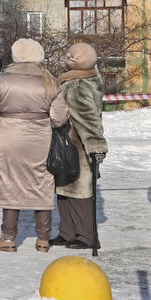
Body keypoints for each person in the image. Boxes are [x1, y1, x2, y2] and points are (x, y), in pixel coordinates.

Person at [0, 38, 68, 253]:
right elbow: (59, 118)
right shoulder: (50, 81)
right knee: (42, 185)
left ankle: (8, 238)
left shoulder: (1, 81)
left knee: (9, 184)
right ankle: (43, 240)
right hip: (40, 138)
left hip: (9, 138)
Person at [53, 42, 108, 250]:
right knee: (65, 189)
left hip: (78, 147)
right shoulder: (88, 79)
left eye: (69, 56)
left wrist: (95, 146)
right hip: (71, 145)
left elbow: (87, 118)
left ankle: (86, 236)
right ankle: (67, 232)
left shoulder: (76, 85)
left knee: (80, 192)